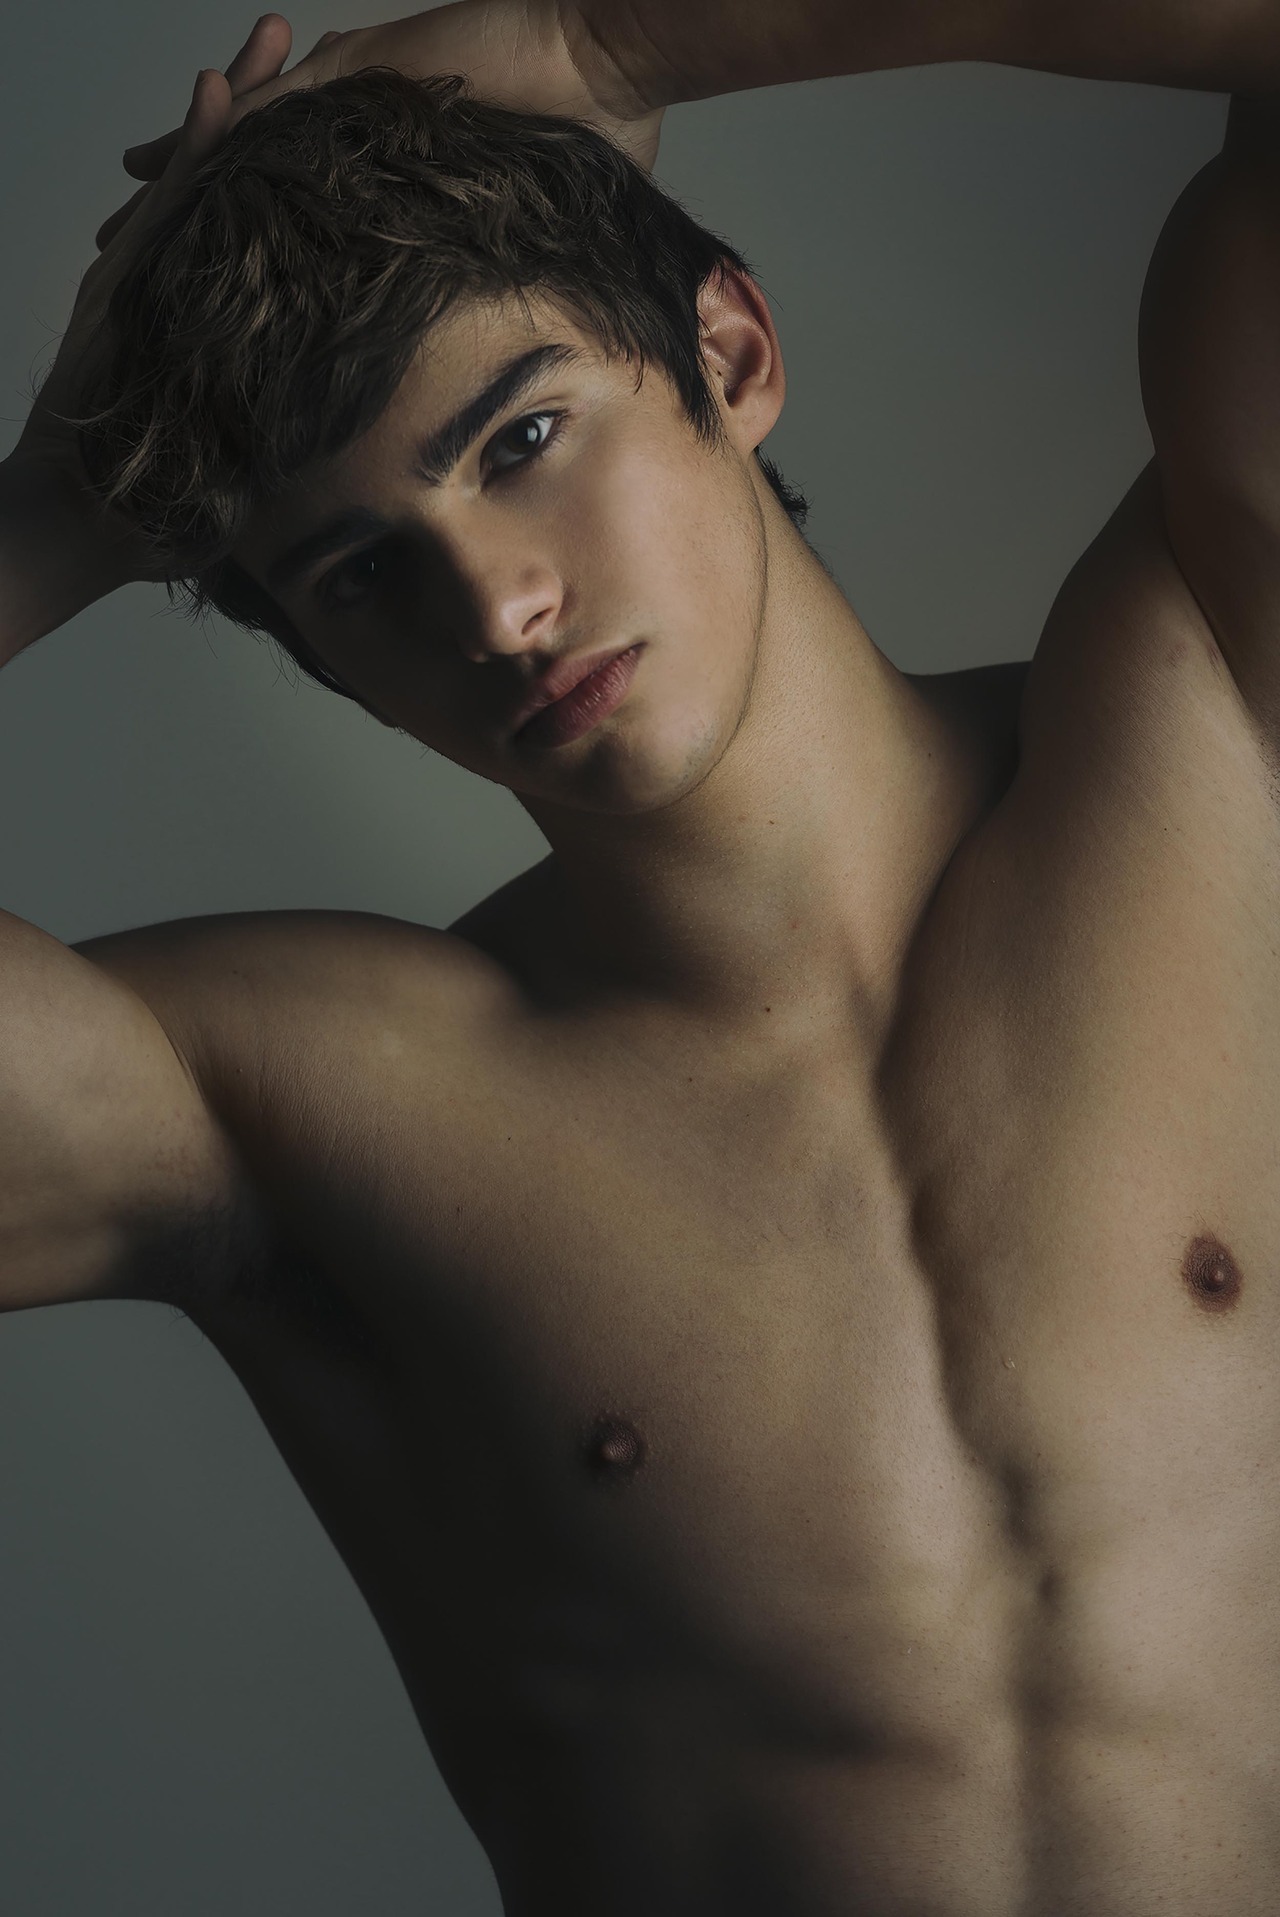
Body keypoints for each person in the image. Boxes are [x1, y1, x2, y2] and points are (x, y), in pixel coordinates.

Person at [4, 0, 1280, 1909]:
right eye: (362, 572)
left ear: (732, 352)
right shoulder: (284, 1106)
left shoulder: (1221, 729)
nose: (498, 604)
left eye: (523, 437)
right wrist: (55, 512)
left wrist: (607, 42)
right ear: (321, 653)